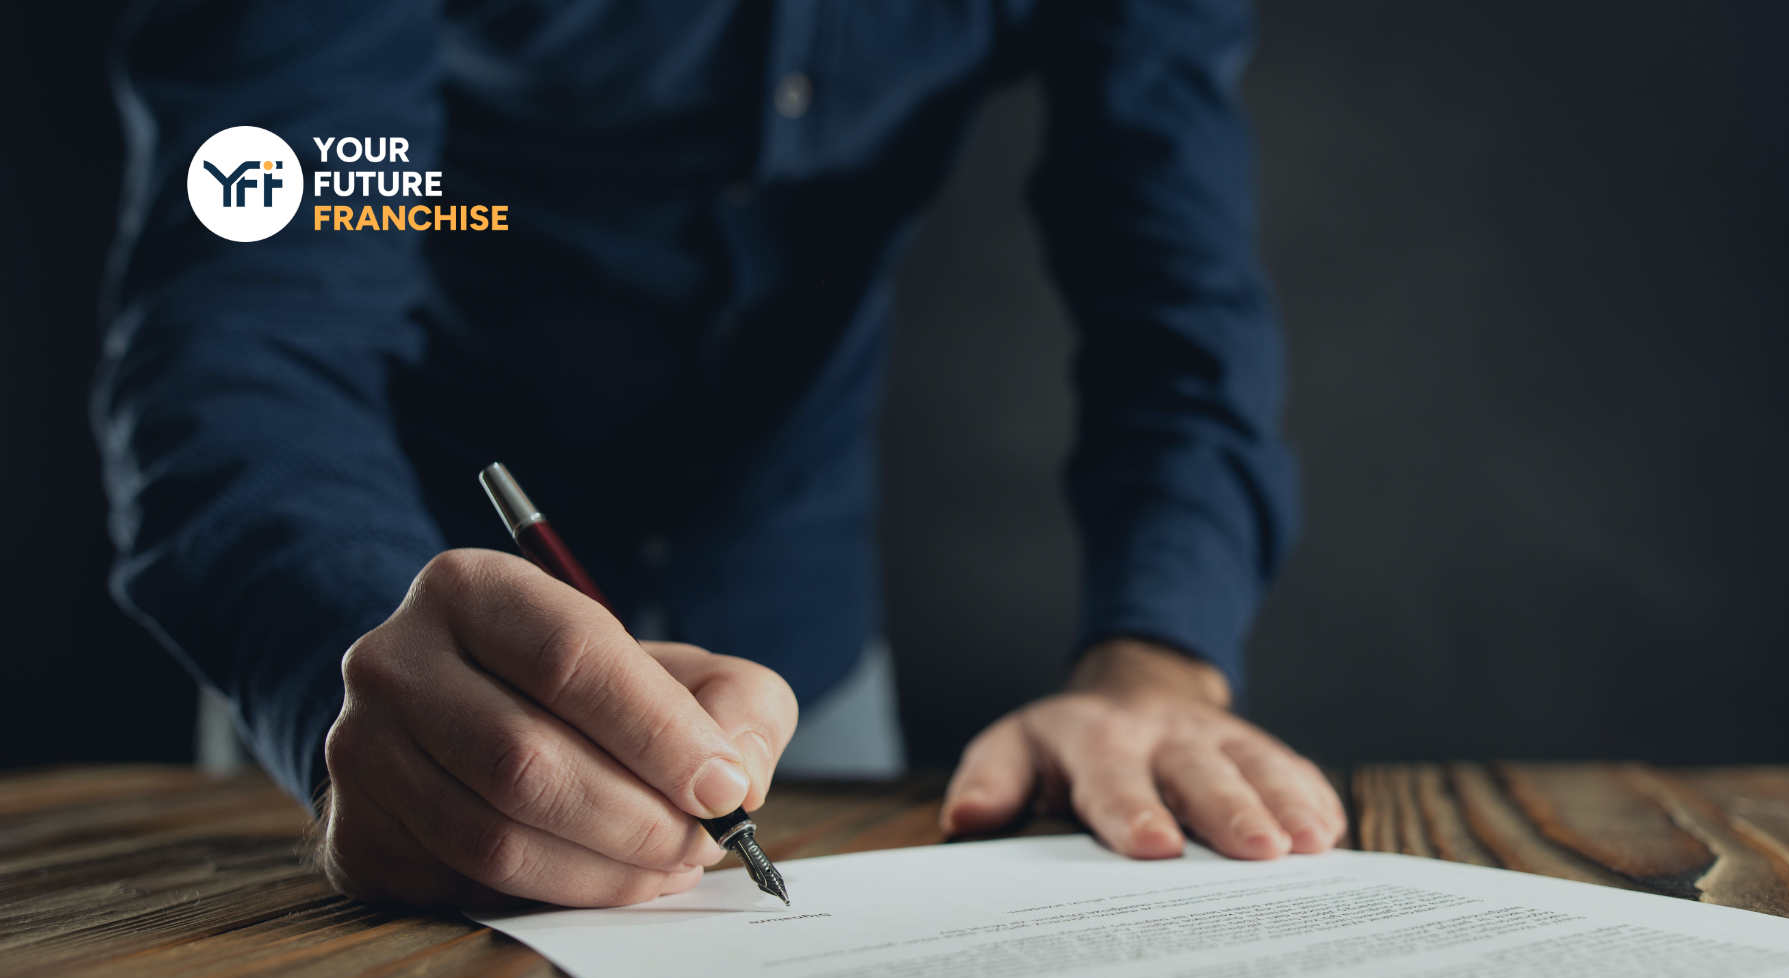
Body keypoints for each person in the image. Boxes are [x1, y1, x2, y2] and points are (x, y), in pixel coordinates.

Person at [96, 0, 1345, 909]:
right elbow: (255, 307)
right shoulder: (380, 680)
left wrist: (1153, 667)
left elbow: (1175, 304)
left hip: (794, 633)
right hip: (389, 637)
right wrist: (351, 672)